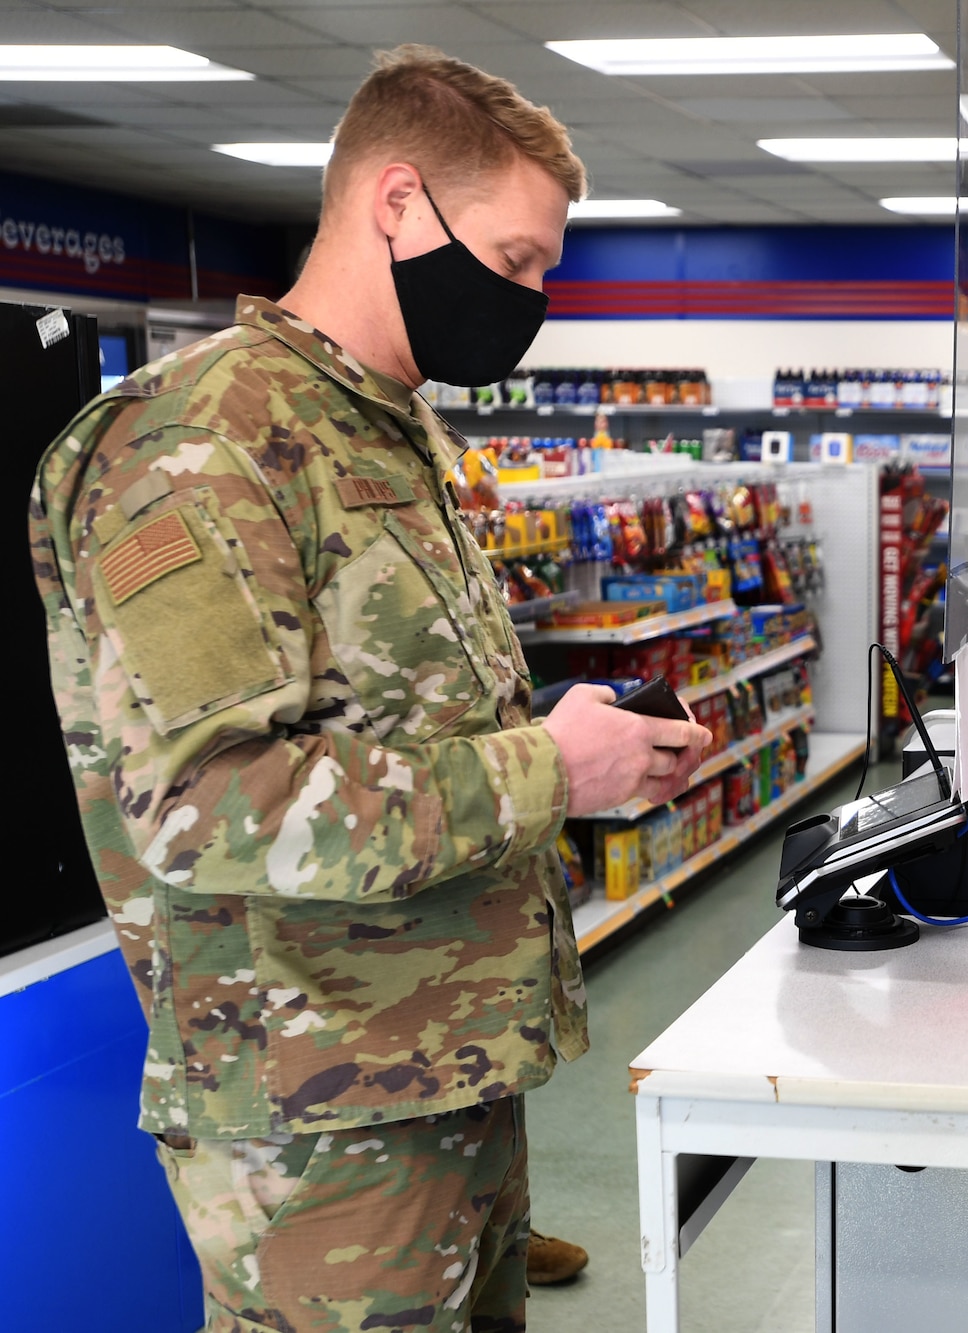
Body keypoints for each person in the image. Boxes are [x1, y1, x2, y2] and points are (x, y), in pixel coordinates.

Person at [29, 46, 708, 1329]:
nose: (531, 297)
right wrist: (551, 769)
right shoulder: (195, 444)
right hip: (315, 1123)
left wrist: (585, 729)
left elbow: (395, 710)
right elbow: (209, 804)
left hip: (442, 1073)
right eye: (514, 260)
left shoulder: (381, 423)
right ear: (397, 201)